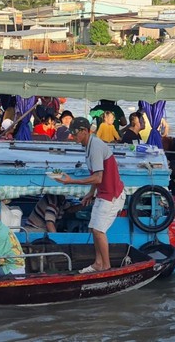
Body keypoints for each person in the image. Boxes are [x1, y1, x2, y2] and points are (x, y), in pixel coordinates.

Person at [55, 117, 126, 273]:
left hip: (112, 195)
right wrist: (91, 193)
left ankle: (106, 267)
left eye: (74, 133)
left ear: (85, 131)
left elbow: (98, 177)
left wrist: (71, 181)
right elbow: (96, 174)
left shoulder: (95, 147)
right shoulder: (88, 145)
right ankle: (98, 263)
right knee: (94, 228)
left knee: (99, 230)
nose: (72, 136)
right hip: (102, 193)